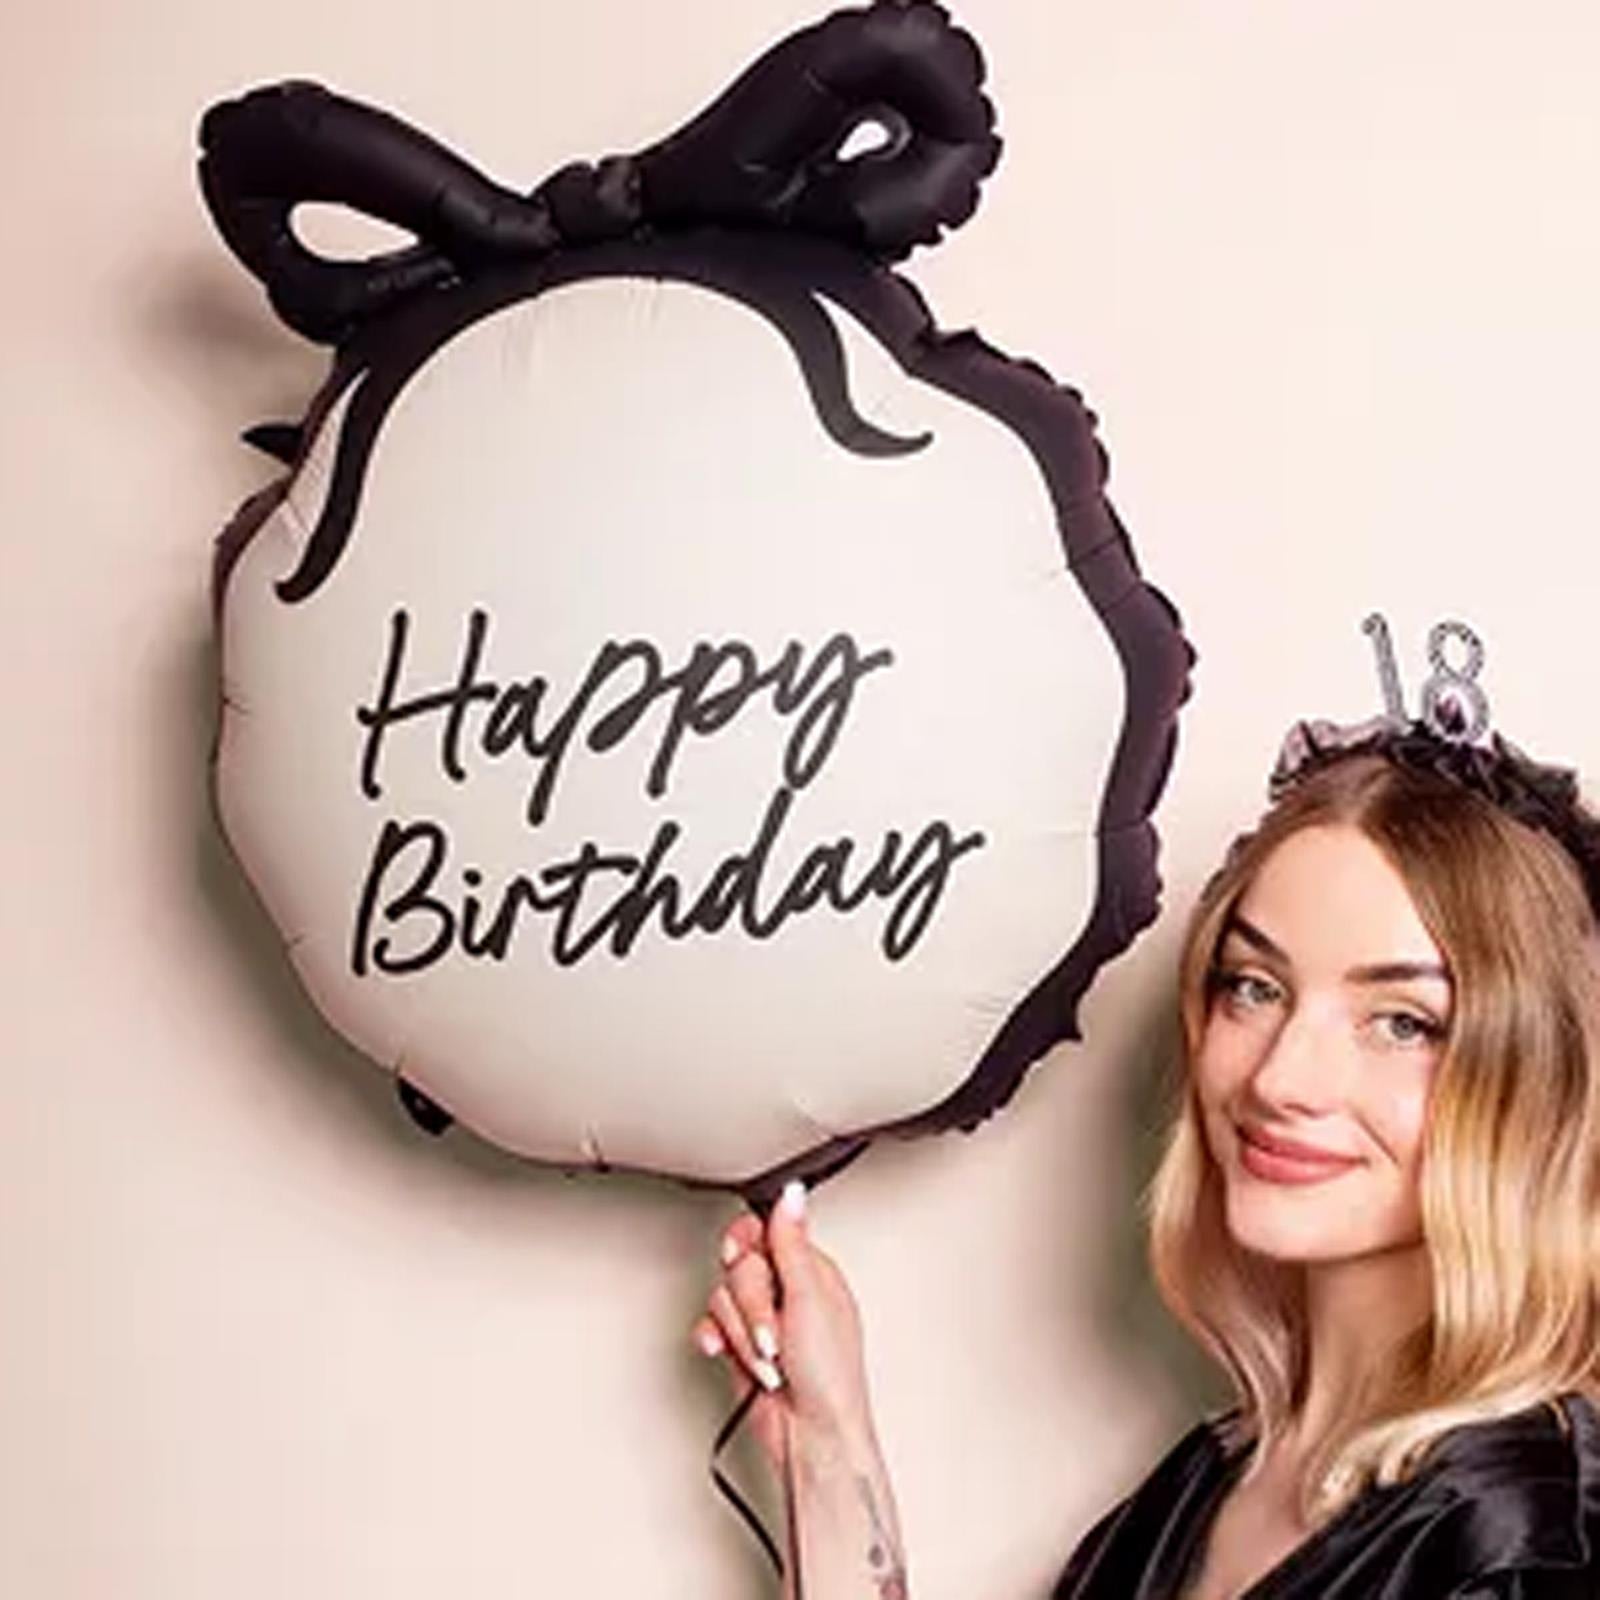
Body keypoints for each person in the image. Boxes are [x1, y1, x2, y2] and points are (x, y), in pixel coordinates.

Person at [690, 717, 1600, 1598]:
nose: (1281, 1077)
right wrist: (826, 1449)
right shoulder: (1211, 1481)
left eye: (1401, 1023)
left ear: (1542, 1083)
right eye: (1255, 987)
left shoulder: (1523, 1545)